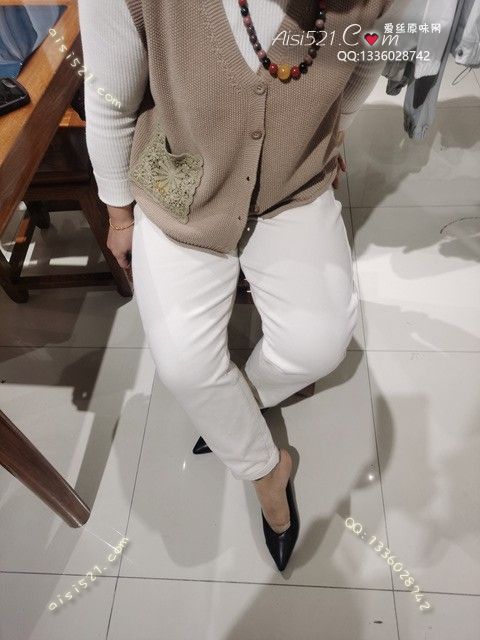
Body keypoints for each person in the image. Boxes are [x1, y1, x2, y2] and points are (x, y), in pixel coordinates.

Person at [78, 0, 398, 572]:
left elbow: (366, 60)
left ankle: (240, 405)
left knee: (320, 344)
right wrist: (119, 215)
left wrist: (335, 131)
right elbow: (111, 99)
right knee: (183, 365)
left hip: (294, 178)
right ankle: (265, 468)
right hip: (177, 170)